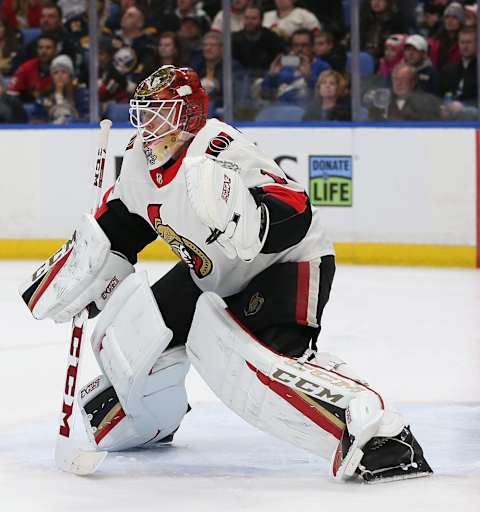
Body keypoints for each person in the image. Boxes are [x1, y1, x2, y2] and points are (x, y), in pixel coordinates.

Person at [20, 64, 432, 484]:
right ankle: (154, 420)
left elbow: (296, 208)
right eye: (145, 114)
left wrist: (254, 225)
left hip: (283, 264)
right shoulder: (140, 167)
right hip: (212, 273)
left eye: (161, 113)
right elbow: (118, 227)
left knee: (251, 365)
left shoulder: (219, 147)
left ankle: (379, 433)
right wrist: (82, 267)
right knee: (135, 342)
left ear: (190, 115)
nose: (149, 126)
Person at [367, 62, 441, 121]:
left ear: (413, 82)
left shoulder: (427, 102)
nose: (398, 83)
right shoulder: (382, 101)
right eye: (395, 79)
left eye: (403, 79)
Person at [31, 54, 88, 124]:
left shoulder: (82, 95)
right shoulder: (43, 97)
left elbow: (88, 119)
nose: (59, 76)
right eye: (55, 73)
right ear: (52, 77)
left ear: (71, 75)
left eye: (64, 72)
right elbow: (35, 122)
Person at [7, 34, 57, 102]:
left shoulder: (61, 70)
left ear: (55, 50)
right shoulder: (26, 67)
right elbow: (11, 92)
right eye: (40, 48)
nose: (43, 51)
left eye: (48, 48)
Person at [438, 26, 477, 105]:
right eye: (462, 42)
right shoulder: (448, 70)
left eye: (469, 42)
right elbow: (439, 95)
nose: (465, 46)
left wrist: (463, 106)